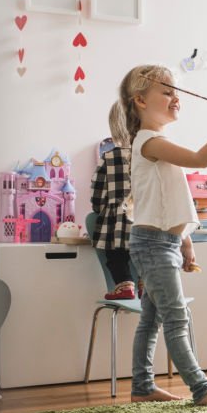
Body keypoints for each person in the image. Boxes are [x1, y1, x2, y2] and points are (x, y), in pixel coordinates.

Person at [113, 64, 207, 406]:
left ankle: (142, 387)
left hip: (161, 242)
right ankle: (202, 389)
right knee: (176, 317)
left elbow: (167, 201)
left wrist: (184, 241)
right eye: (166, 92)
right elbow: (202, 158)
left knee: (152, 320)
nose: (176, 98)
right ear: (140, 100)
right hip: (152, 245)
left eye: (176, 92)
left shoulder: (157, 144)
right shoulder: (150, 143)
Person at [90, 105, 136, 299]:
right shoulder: (149, 156)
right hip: (144, 218)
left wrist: (100, 209)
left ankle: (125, 286)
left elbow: (97, 194)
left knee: (115, 255)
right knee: (143, 255)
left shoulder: (108, 157)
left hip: (117, 221)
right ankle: (144, 283)